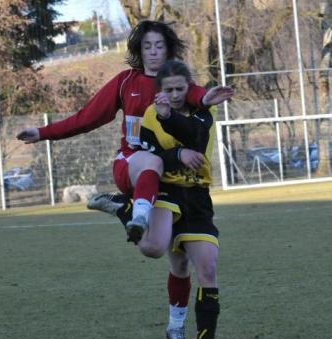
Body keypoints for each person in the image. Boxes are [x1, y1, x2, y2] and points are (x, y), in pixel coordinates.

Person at [16, 20, 230, 243]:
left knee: (160, 250)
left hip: (169, 176)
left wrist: (204, 98)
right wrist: (43, 132)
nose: (154, 52)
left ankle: (125, 209)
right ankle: (137, 218)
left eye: (159, 45)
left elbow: (196, 94)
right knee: (152, 162)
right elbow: (87, 117)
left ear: (168, 49)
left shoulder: (175, 82)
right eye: (147, 46)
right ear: (139, 50)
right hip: (131, 164)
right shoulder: (125, 82)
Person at [90, 60, 229, 339]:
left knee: (205, 268)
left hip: (197, 197)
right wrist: (175, 151)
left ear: (189, 88)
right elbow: (151, 157)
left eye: (181, 88)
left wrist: (173, 125)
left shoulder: (204, 111)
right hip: (165, 192)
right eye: (169, 90)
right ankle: (127, 209)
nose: (176, 94)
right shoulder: (150, 115)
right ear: (159, 91)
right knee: (153, 248)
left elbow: (197, 139)